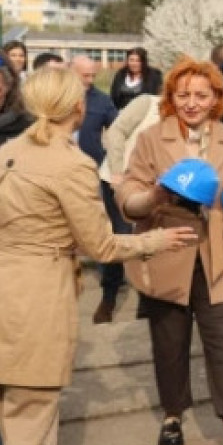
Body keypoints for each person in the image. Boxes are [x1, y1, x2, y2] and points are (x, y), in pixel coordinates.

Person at [0, 67, 194, 445]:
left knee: (13, 420)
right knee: (30, 435)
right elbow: (101, 245)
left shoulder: (12, 150)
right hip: (35, 300)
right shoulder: (71, 165)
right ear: (78, 107)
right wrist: (156, 240)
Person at [117, 57, 223, 445]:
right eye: (183, 95)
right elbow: (128, 195)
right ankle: (172, 416)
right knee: (170, 342)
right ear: (171, 97)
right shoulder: (151, 138)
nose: (192, 103)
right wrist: (154, 197)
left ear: (217, 98)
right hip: (167, 250)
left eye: (202, 95)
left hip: (218, 255)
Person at [0, 47, 30, 445]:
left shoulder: (27, 130)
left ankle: (5, 439)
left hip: (13, 256)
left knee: (5, 351)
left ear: (9, 90)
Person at [71, 55, 126, 325]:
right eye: (85, 75)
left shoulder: (102, 101)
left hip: (93, 173)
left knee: (105, 227)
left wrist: (117, 167)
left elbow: (118, 132)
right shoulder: (54, 97)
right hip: (60, 174)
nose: (90, 80)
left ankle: (109, 289)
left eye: (93, 75)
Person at [110, 46, 163, 111]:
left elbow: (157, 98)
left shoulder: (154, 76)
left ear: (143, 62)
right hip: (122, 113)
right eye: (131, 60)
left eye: (138, 61)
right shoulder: (120, 74)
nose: (134, 64)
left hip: (144, 113)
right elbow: (113, 97)